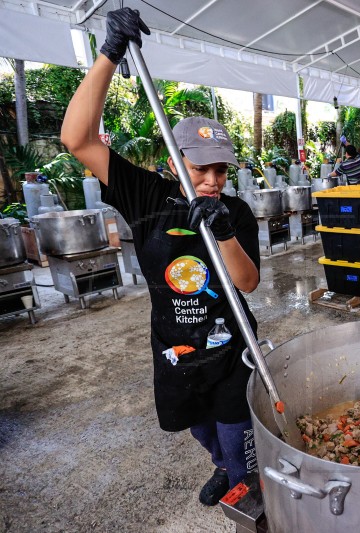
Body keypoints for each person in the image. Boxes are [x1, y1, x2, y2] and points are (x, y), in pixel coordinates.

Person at [60, 8, 260, 507]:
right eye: (200, 169)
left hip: (230, 344)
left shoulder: (235, 211)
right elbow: (76, 139)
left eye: (221, 170)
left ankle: (249, 493)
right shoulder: (144, 195)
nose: (212, 180)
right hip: (175, 346)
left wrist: (226, 234)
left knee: (242, 441)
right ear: (175, 162)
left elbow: (249, 283)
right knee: (198, 429)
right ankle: (221, 467)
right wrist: (109, 55)